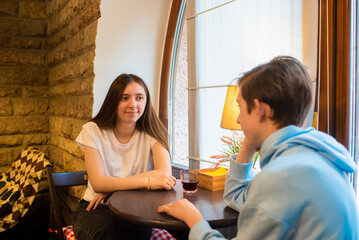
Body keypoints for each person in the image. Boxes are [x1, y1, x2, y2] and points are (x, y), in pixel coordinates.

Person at [158, 56, 359, 239]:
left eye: (240, 108)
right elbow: (237, 197)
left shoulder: (282, 176)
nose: (237, 119)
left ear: (261, 110)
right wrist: (251, 140)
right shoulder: (314, 153)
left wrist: (194, 219)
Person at [73, 73, 177, 240]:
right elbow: (99, 183)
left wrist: (113, 189)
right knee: (109, 233)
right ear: (113, 100)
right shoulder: (92, 131)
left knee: (135, 232)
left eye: (139, 98)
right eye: (124, 98)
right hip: (97, 207)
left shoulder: (154, 132)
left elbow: (164, 174)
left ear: (146, 101)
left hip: (136, 208)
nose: (133, 104)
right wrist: (148, 181)